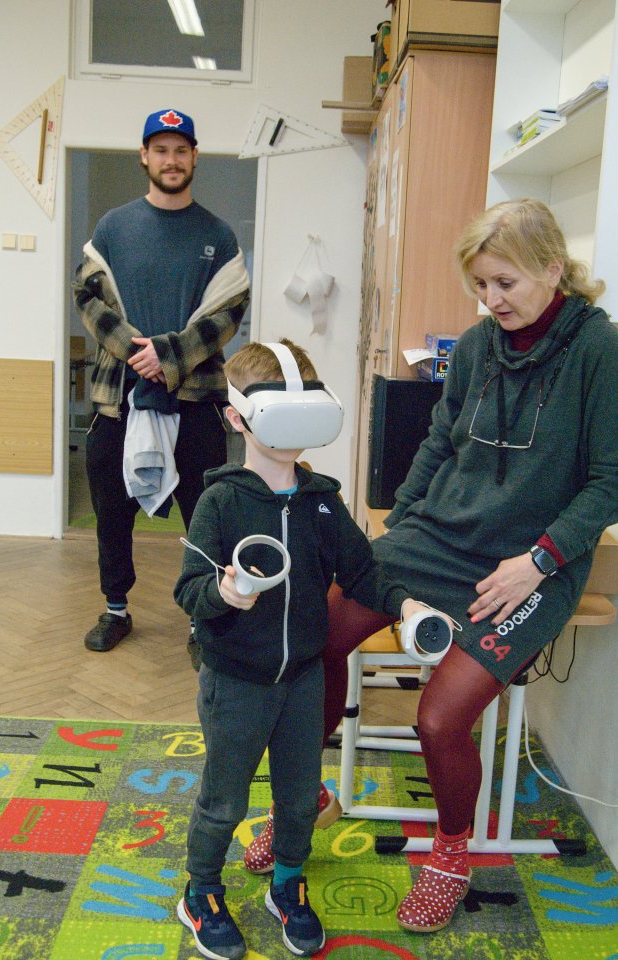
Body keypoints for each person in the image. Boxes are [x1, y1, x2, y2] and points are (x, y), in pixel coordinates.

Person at [244, 199, 618, 933]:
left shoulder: (599, 350)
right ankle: (305, 800)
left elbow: (609, 481)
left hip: (531, 562)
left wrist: (539, 562)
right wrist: (401, 526)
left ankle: (451, 854)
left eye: (504, 282)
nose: (491, 300)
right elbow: (440, 443)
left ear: (552, 269)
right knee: (313, 636)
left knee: (439, 719)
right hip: (434, 535)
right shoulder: (477, 346)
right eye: (479, 284)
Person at [173, 339, 438, 960]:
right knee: (224, 799)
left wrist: (406, 606)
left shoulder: (322, 502)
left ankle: (287, 884)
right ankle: (201, 891)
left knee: (298, 799)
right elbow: (188, 590)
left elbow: (363, 570)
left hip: (303, 679)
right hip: (236, 681)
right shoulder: (220, 501)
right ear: (238, 418)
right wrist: (222, 593)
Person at [72, 108, 250, 654]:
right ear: (144, 157)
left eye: (180, 150)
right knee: (111, 512)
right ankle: (115, 609)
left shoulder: (217, 235)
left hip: (196, 398)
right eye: (161, 150)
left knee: (205, 515)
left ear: (194, 157)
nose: (171, 160)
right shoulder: (113, 227)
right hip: (117, 398)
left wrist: (169, 355)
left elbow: (228, 312)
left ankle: (204, 620)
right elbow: (87, 297)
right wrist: (136, 352)